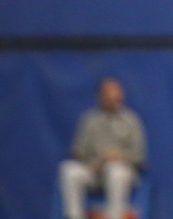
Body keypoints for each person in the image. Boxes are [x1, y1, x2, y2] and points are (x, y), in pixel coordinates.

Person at [59, 78, 147, 219]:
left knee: (116, 171)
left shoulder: (131, 120)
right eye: (108, 94)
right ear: (101, 97)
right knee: (68, 170)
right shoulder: (90, 120)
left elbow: (139, 156)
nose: (112, 98)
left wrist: (119, 157)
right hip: (94, 171)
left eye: (115, 94)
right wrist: (96, 162)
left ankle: (115, 216)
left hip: (122, 171)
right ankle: (73, 216)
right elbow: (78, 151)